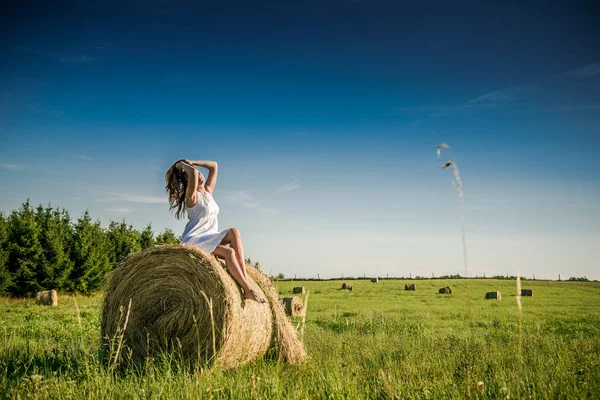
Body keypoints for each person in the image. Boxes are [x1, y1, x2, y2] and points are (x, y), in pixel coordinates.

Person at [165, 159, 265, 303]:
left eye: (198, 171)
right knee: (229, 252)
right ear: (187, 180)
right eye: (189, 173)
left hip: (210, 236)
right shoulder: (191, 197)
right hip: (195, 240)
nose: (198, 174)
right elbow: (192, 172)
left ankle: (245, 282)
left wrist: (193, 162)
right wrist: (179, 165)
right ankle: (248, 289)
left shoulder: (208, 192)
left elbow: (214, 166)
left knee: (234, 232)